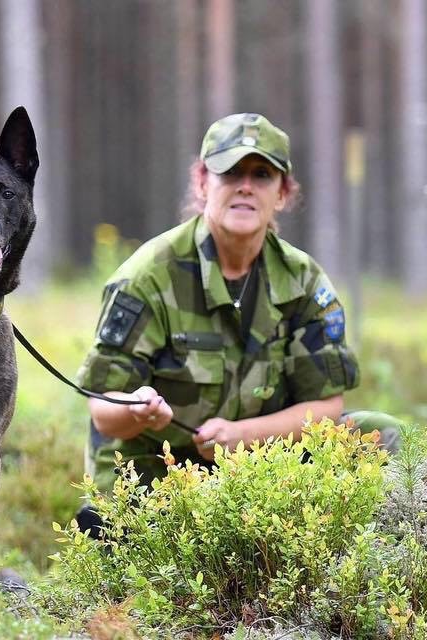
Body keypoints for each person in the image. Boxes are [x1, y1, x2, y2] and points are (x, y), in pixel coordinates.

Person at [75, 113, 401, 532]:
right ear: (202, 183)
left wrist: (244, 435)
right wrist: (137, 407)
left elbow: (325, 406)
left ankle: (376, 553)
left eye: (262, 174)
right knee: (134, 534)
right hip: (157, 472)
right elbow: (103, 410)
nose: (245, 186)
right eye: (230, 172)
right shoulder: (148, 277)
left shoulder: (303, 282)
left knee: (381, 434)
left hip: (264, 466)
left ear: (282, 193)